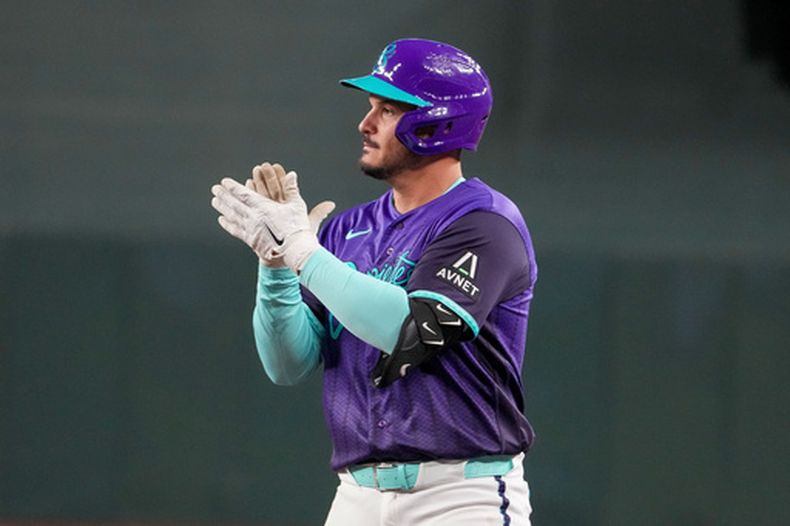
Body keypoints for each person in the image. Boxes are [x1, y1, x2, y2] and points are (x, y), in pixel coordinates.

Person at [211, 38, 537, 526]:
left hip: (460, 496)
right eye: (371, 108)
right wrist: (276, 266)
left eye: (386, 110)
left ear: (437, 121)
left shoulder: (484, 222)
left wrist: (301, 250)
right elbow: (287, 363)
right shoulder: (346, 230)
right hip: (355, 498)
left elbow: (410, 331)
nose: (365, 125)